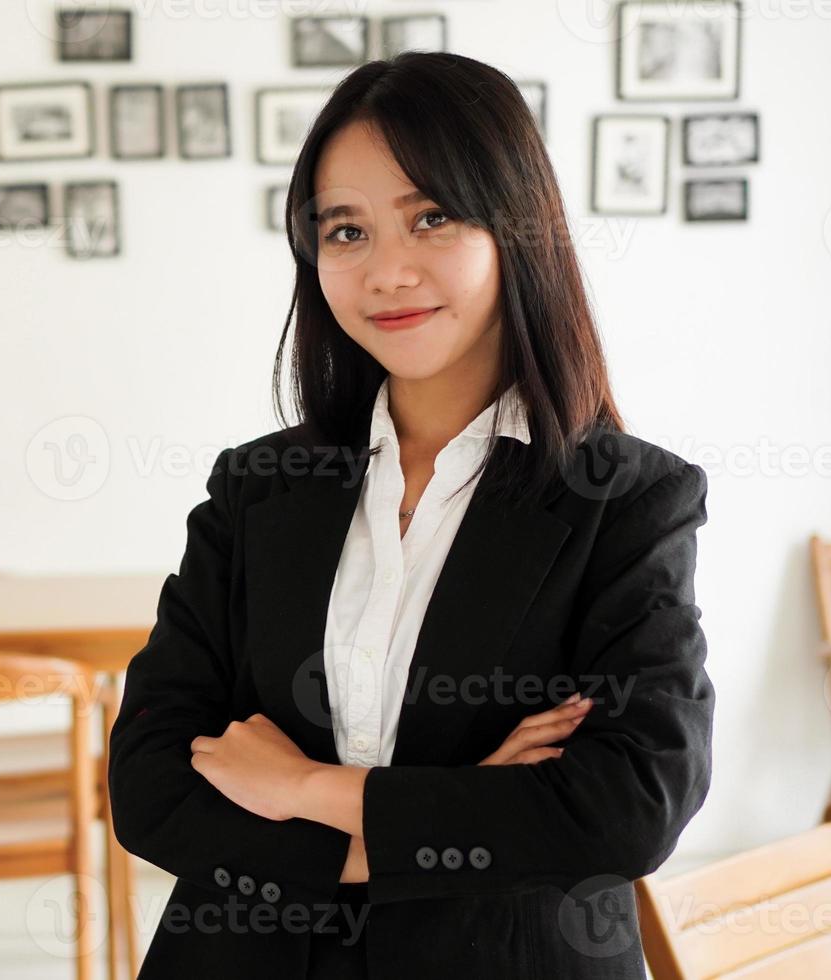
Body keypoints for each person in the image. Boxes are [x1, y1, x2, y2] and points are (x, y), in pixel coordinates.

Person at [106, 51, 713, 979]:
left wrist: (311, 788)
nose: (386, 271)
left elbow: (630, 804)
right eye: (345, 231)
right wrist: (455, 815)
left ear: (517, 229)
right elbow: (149, 781)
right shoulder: (258, 488)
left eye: (431, 217)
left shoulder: (626, 501)